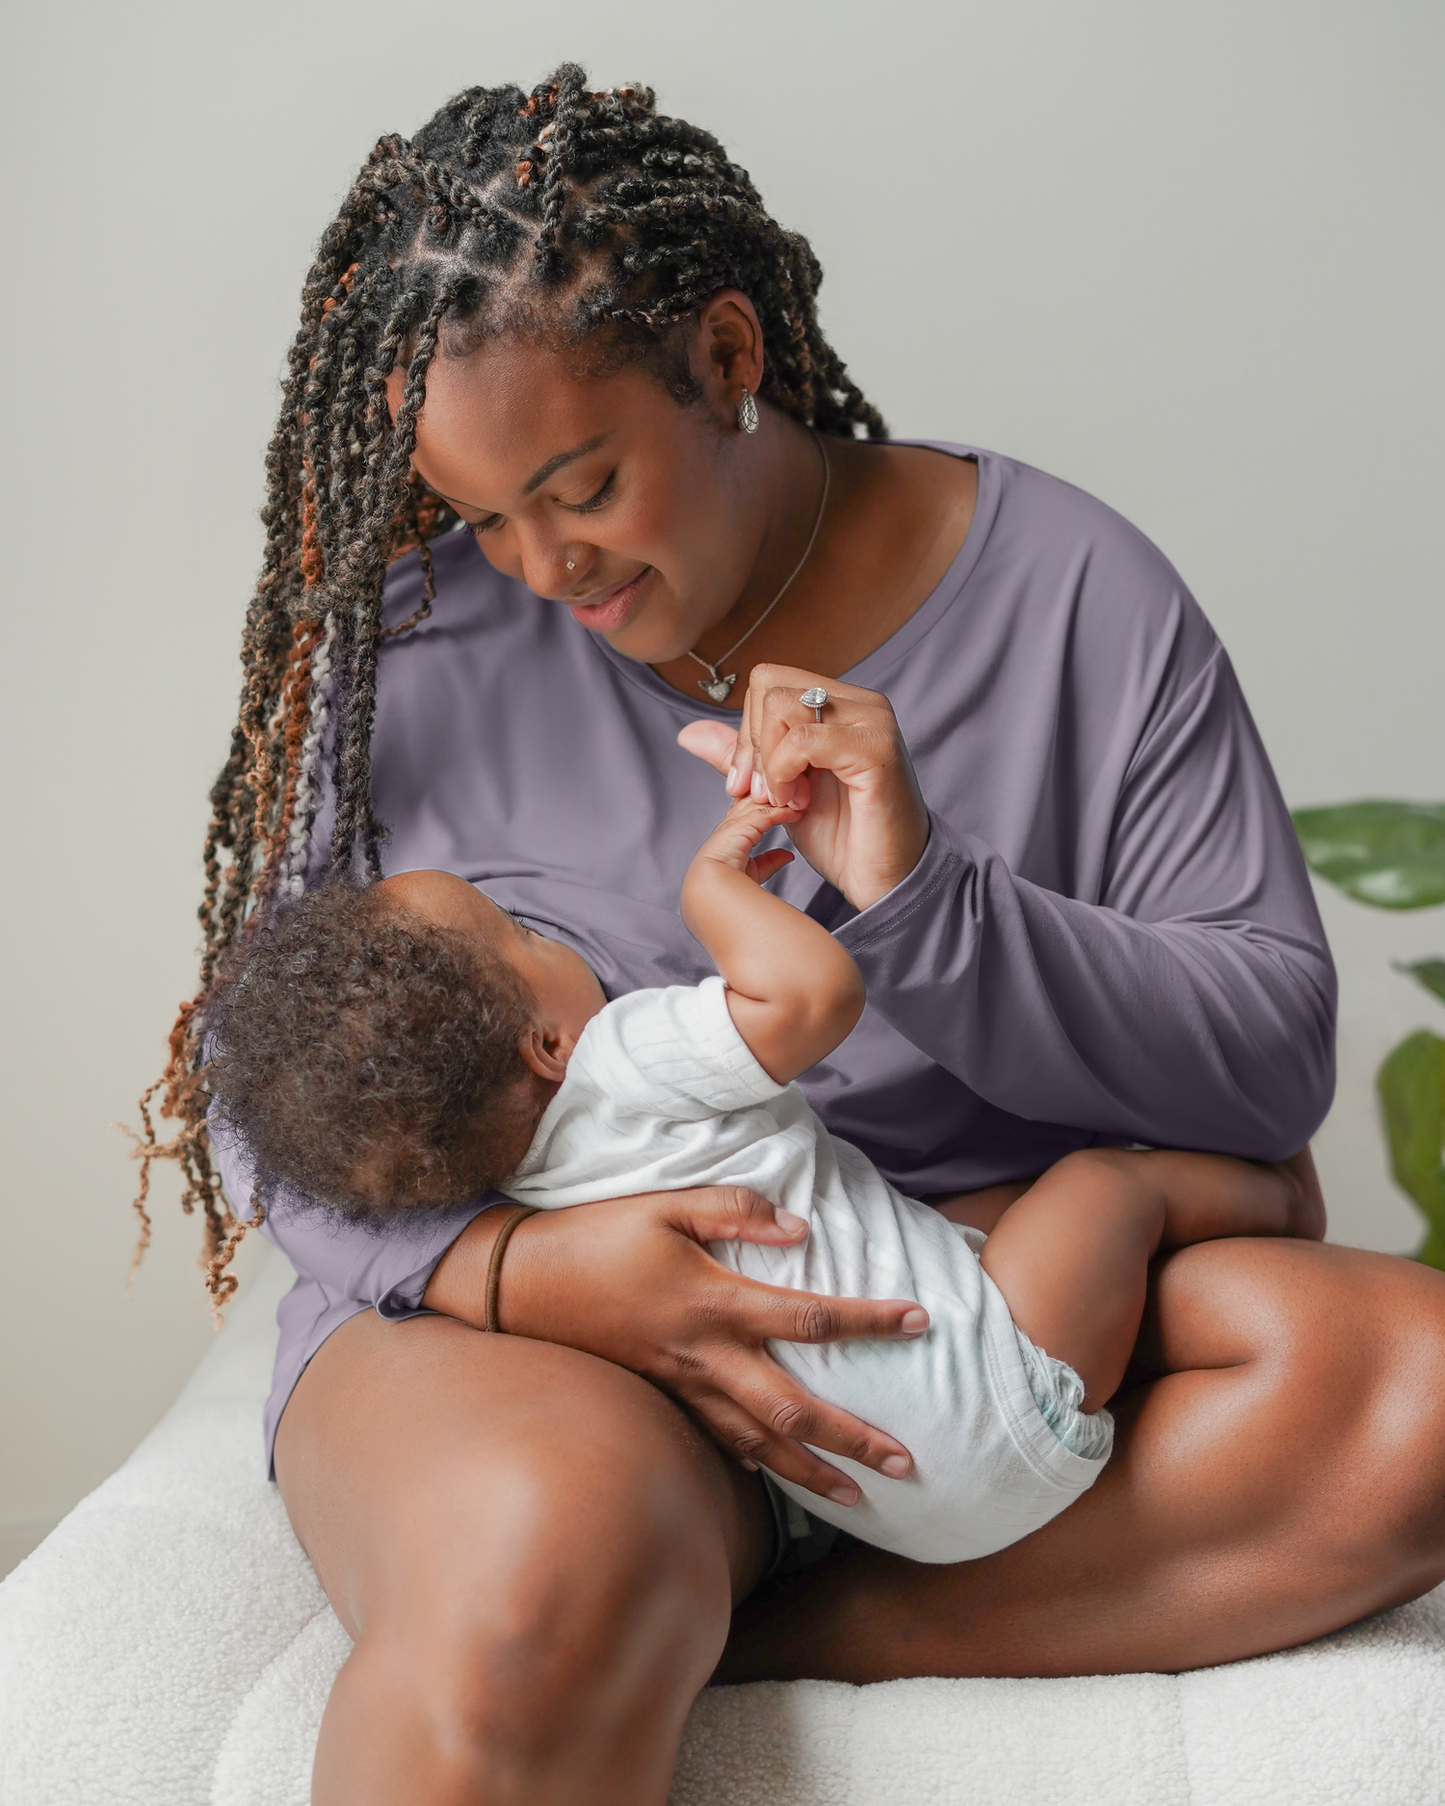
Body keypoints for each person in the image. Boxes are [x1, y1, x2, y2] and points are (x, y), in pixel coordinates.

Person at [136, 66, 1445, 1806]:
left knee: (1417, 1399)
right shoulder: (415, 658)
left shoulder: (1071, 589)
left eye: (582, 484)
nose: (538, 566)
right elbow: (256, 1086)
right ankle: (642, 1584)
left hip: (968, 1317)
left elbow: (1273, 1050)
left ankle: (786, 1629)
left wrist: (925, 896)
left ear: (732, 360)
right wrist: (517, 1274)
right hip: (532, 1335)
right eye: (481, 513)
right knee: (539, 1572)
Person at [207, 805, 1325, 1567]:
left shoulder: (514, 1186)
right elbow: (808, 996)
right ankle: (1272, 1200)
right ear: (545, 1046)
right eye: (523, 933)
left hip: (876, 1509)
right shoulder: (619, 1058)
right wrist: (714, 887)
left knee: (963, 1226)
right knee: (1099, 1188)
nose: (553, 935)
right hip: (1006, 1388)